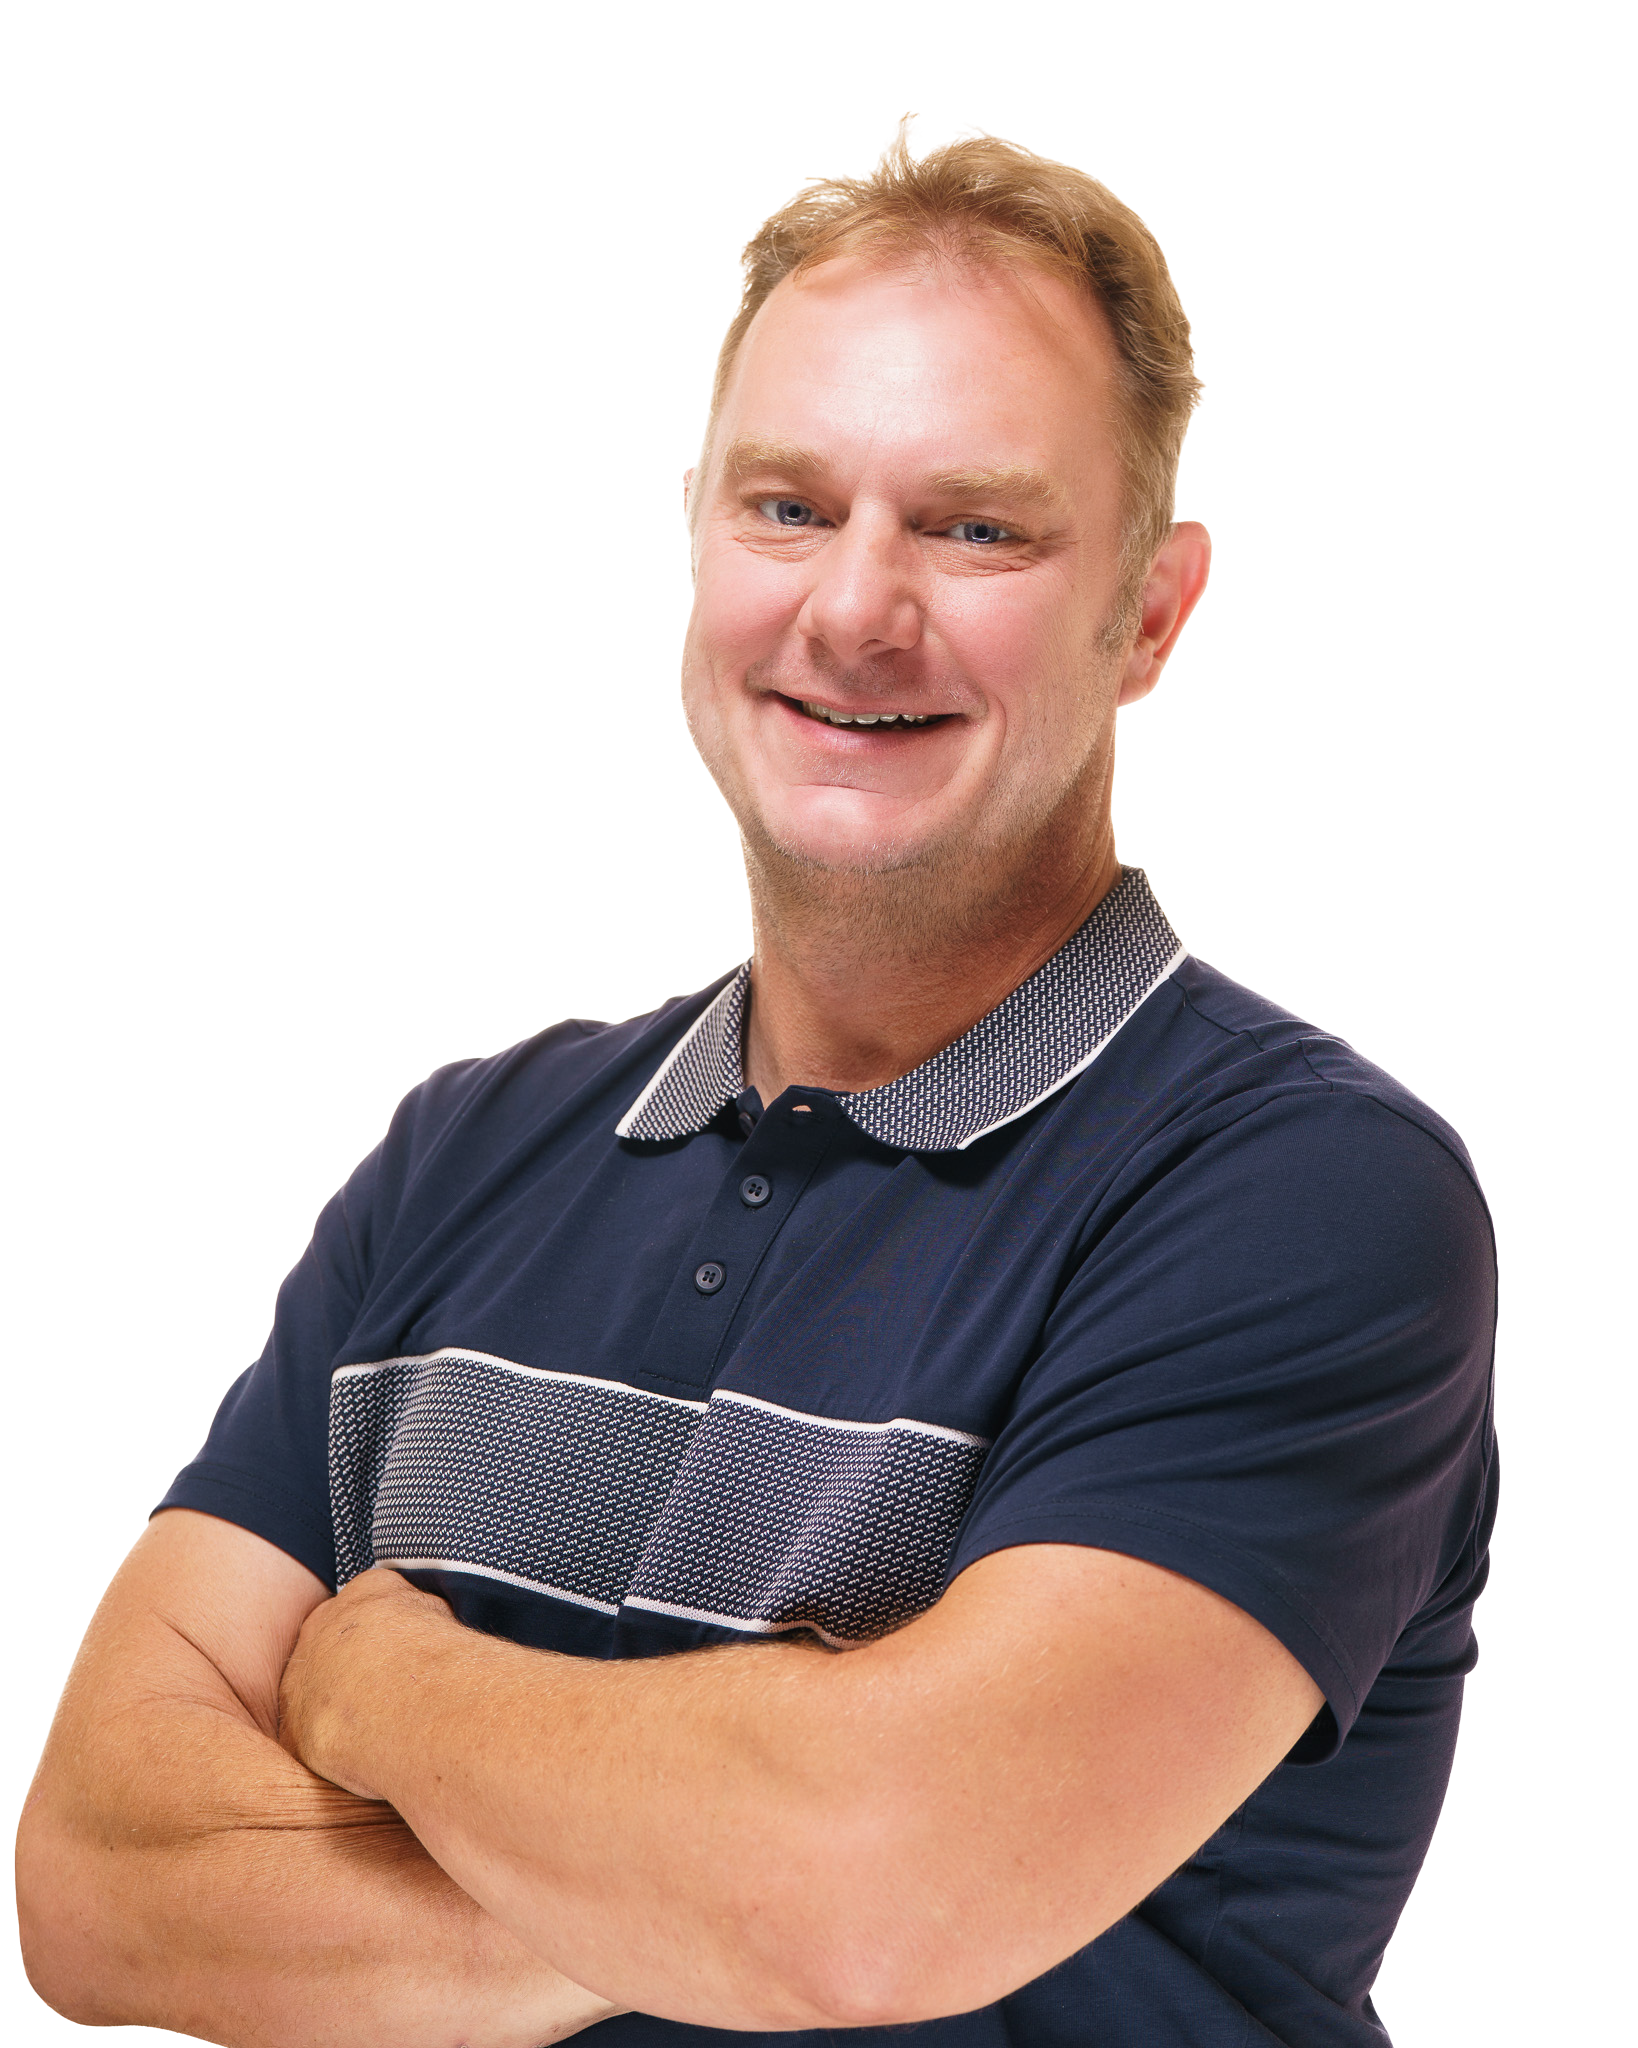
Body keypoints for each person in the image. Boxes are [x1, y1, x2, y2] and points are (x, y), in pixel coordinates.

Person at [16, 130, 1497, 2048]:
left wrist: (379, 1685)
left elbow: (873, 1891)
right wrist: (724, 1870)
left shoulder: (1299, 1201)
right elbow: (94, 1901)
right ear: (697, 544)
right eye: (787, 508)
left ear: (1150, 615)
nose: (856, 611)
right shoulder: (466, 1148)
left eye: (975, 530)